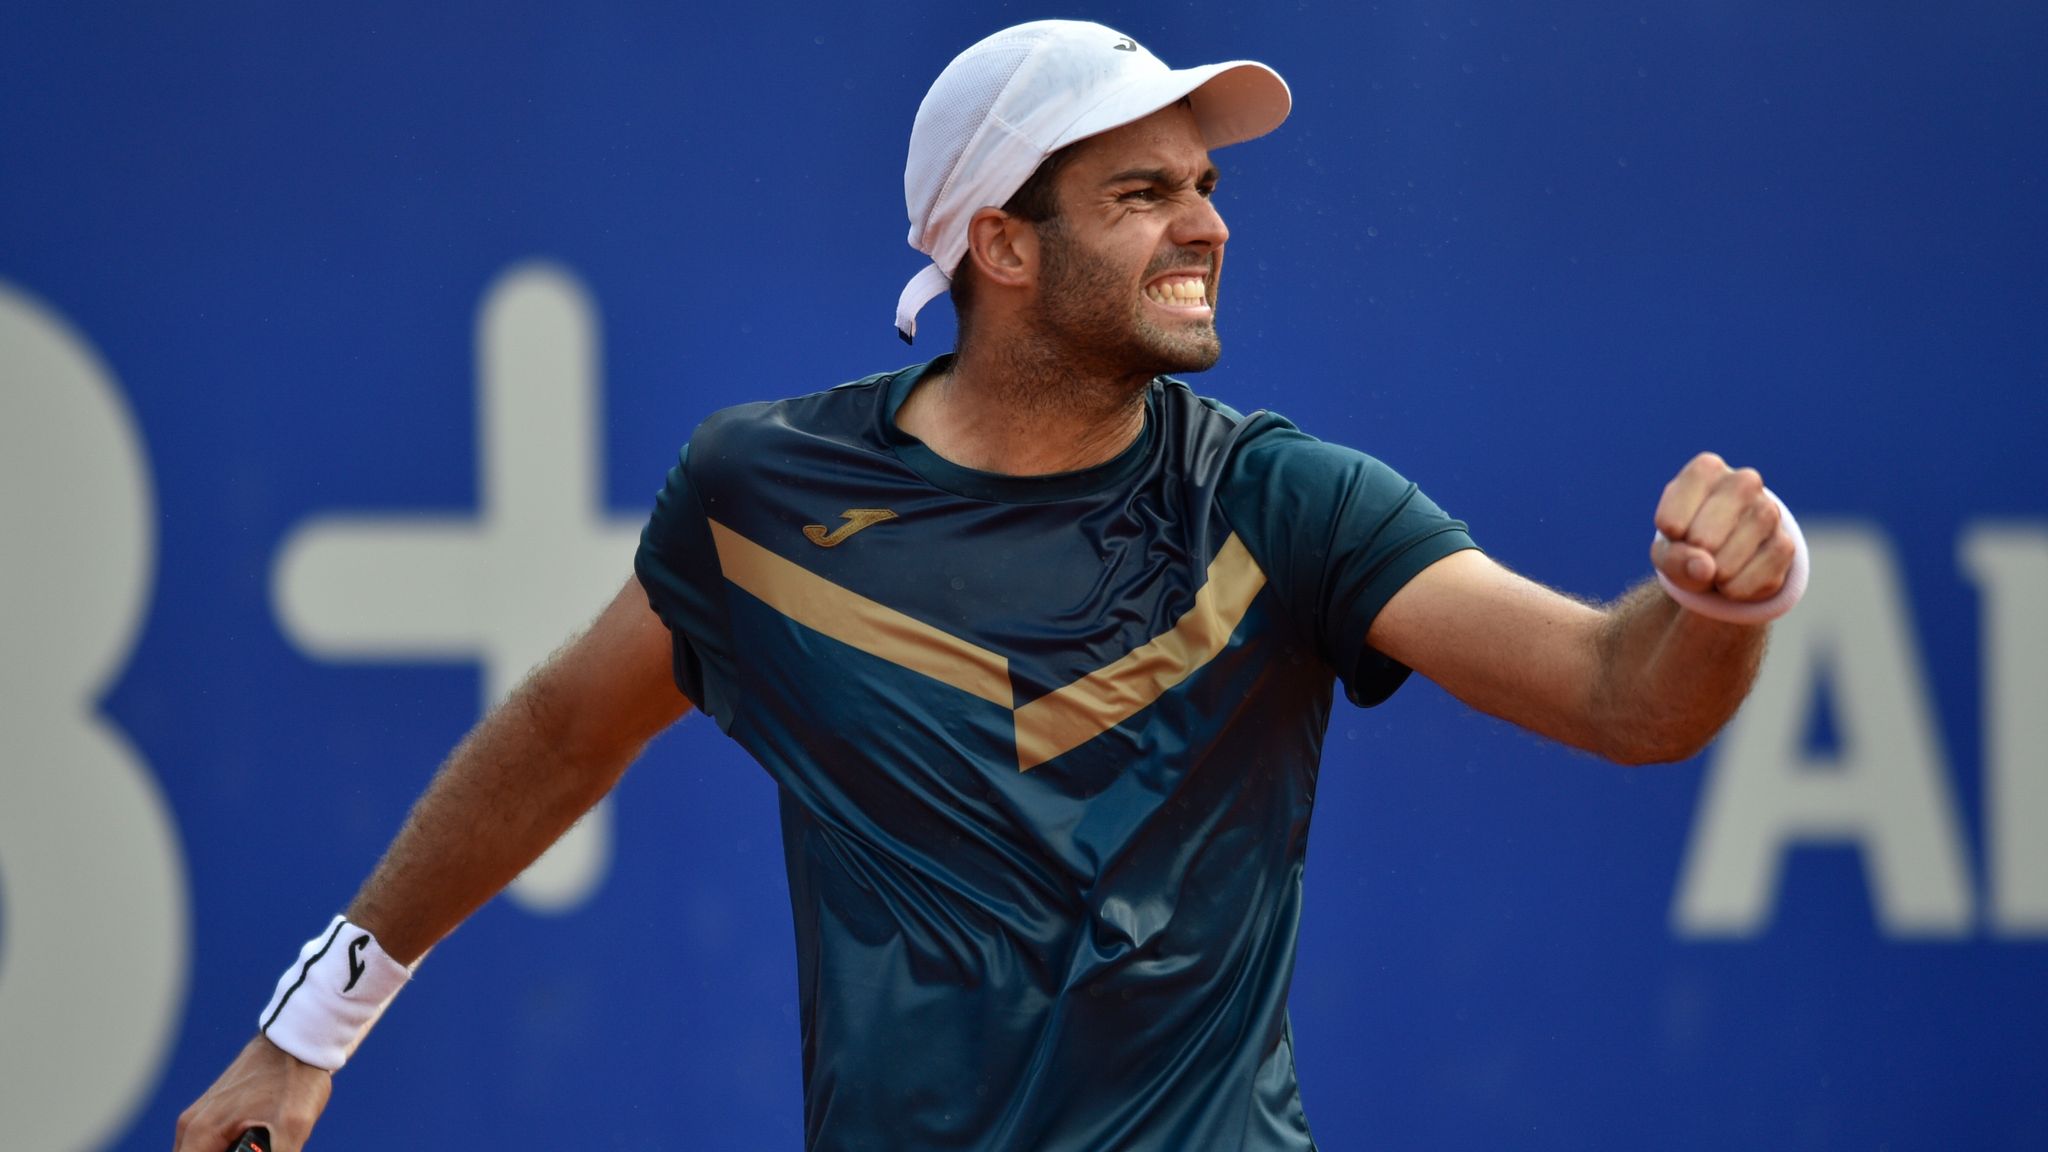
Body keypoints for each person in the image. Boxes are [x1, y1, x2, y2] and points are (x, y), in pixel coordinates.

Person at [174, 19, 1805, 1152]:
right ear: (1001, 247)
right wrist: (310, 1028)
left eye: (1207, 187)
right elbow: (556, 738)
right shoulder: (761, 506)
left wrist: (1720, 609)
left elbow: (1619, 692)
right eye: (1143, 193)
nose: (1204, 228)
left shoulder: (1277, 501)